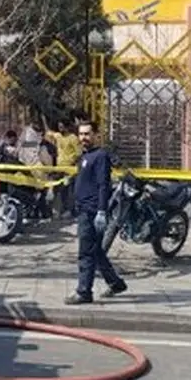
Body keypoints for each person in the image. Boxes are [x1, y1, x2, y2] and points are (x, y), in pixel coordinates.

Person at [66, 119, 128, 305]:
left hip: (92, 211)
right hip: (84, 208)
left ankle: (84, 292)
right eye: (81, 134)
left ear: (96, 135)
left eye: (87, 134)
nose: (84, 137)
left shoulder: (100, 156)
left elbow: (103, 185)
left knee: (86, 252)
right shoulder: (85, 156)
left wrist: (101, 210)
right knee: (96, 251)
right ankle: (115, 283)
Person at [46, 112, 84, 220]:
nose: (60, 128)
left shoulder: (73, 138)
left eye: (62, 127)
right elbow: (49, 132)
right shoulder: (58, 136)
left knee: (67, 191)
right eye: (59, 127)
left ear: (67, 127)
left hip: (69, 170)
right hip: (59, 169)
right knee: (56, 189)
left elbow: (79, 154)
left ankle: (69, 210)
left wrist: (72, 164)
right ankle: (56, 211)